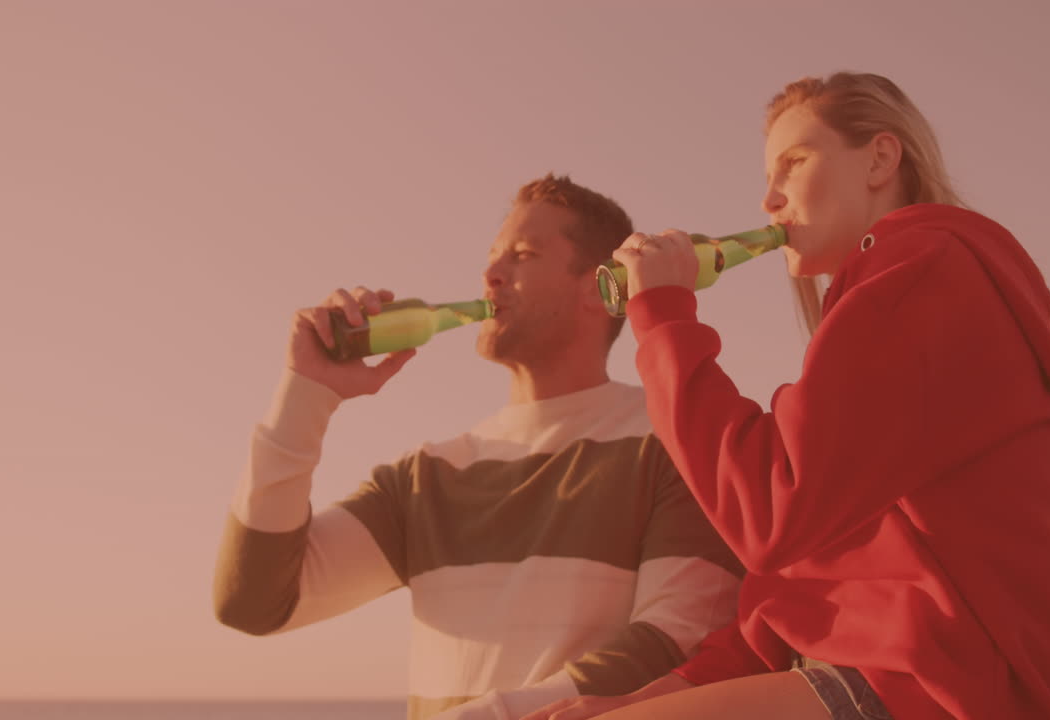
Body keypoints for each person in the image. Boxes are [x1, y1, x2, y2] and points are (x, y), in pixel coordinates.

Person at [524, 73, 1050, 720]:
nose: (769, 198)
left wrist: (664, 317)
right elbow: (797, 588)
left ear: (880, 158)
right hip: (889, 678)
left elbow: (769, 508)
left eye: (794, 162)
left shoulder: (927, 272)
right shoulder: (897, 296)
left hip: (936, 690)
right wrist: (653, 696)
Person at [213, 174, 743, 720]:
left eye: (523, 255)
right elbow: (252, 602)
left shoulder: (675, 436)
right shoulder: (425, 477)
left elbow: (677, 644)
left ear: (596, 286)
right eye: (493, 257)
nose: (490, 274)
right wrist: (306, 393)